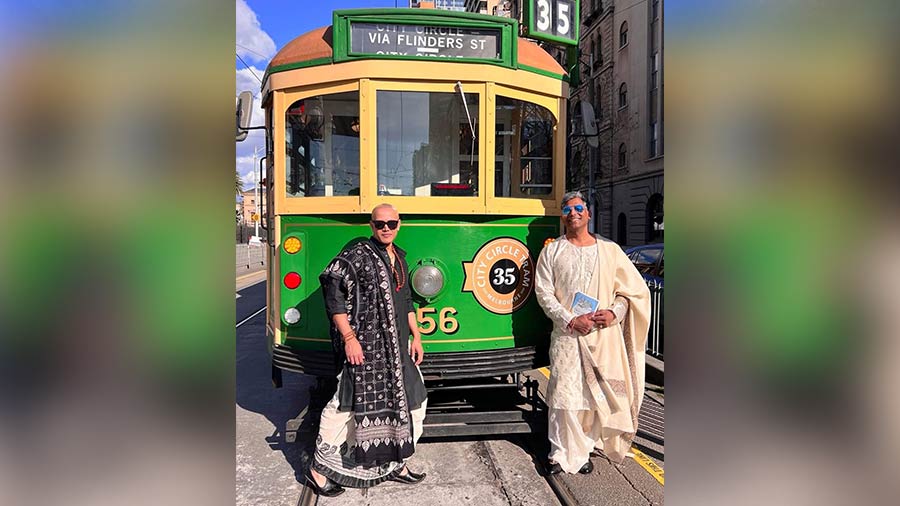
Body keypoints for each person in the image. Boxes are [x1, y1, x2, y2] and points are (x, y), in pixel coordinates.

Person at [306, 203, 428, 496]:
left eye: (391, 223)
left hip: (397, 349)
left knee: (414, 401)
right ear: (371, 225)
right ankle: (317, 469)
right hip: (365, 348)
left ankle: (395, 464)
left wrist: (417, 336)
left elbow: (407, 300)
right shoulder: (358, 254)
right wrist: (349, 337)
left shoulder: (399, 257)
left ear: (400, 224)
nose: (386, 228)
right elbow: (333, 294)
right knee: (344, 405)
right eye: (380, 223)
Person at [534, 191, 651, 475]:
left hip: (601, 335)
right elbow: (543, 292)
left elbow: (633, 292)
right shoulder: (552, 251)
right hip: (567, 336)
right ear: (562, 216)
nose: (573, 213)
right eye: (567, 209)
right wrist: (571, 320)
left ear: (588, 214)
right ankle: (560, 453)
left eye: (578, 208)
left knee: (590, 397)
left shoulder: (610, 250)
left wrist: (614, 313)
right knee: (564, 395)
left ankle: (584, 448)